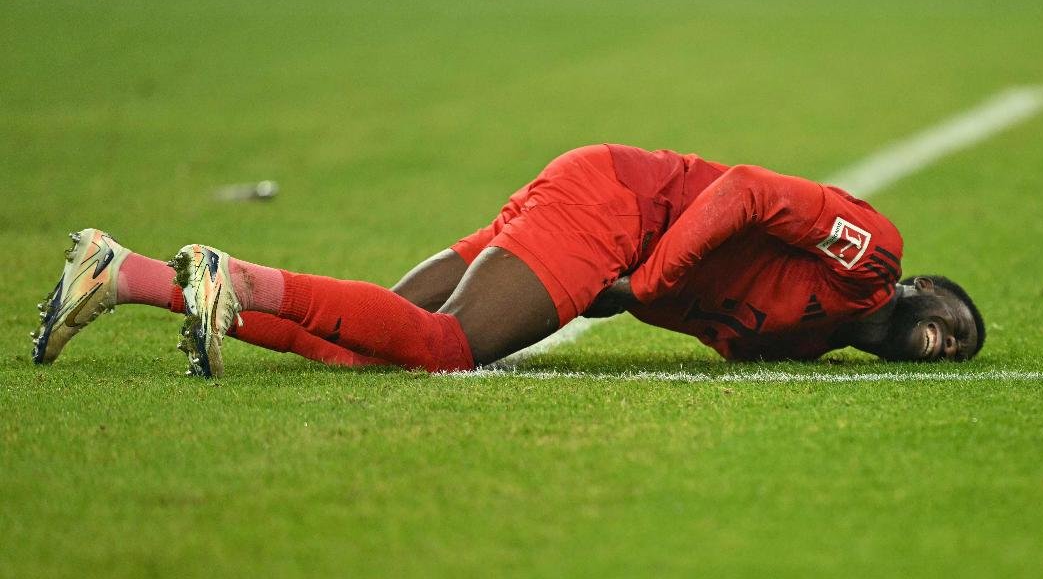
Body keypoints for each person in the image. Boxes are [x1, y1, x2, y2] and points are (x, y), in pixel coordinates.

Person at [30, 144, 984, 377]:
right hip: (616, 205)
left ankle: (129, 273)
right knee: (447, 349)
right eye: (957, 321)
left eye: (961, 350)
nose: (951, 340)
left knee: (374, 350)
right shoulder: (871, 260)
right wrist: (650, 282)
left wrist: (630, 297)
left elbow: (687, 303)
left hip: (603, 224)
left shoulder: (803, 346)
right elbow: (741, 191)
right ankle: (229, 277)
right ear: (922, 290)